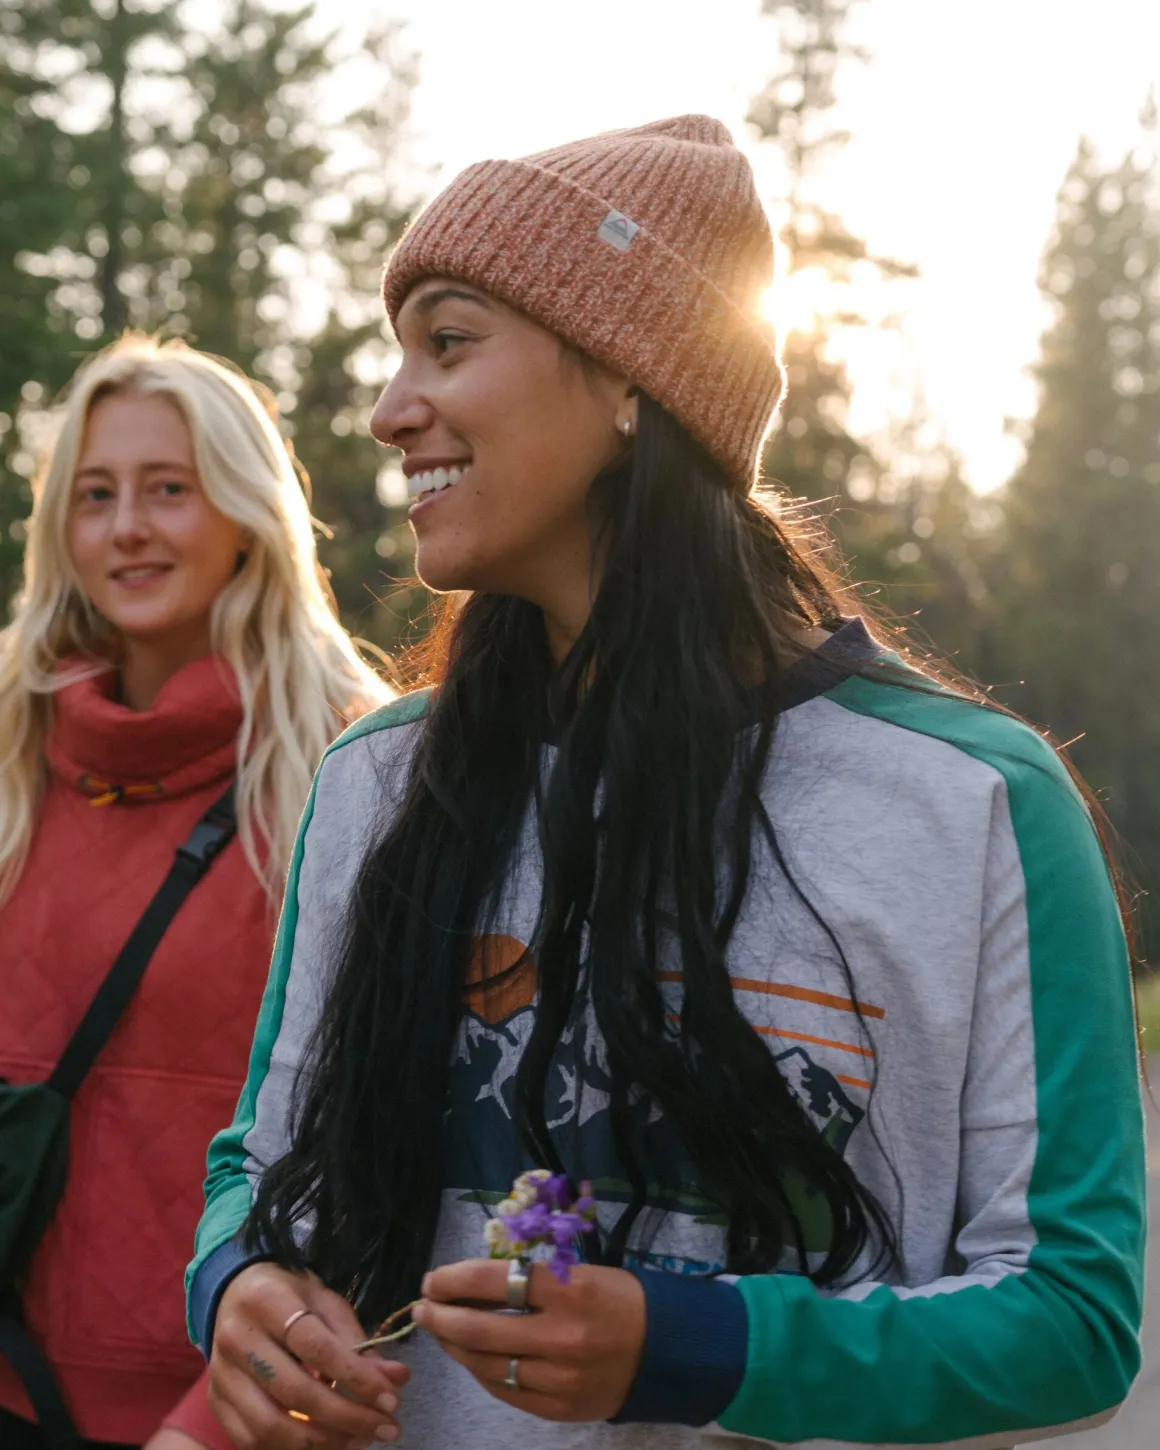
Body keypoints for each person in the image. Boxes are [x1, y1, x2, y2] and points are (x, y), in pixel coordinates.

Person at [188, 116, 1146, 1449]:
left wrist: (701, 1344)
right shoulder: (375, 781)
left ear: (636, 383)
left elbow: (1074, 1315)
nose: (391, 406)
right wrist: (236, 1286)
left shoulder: (977, 804)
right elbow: (259, 1158)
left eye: (450, 341)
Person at [0, 335, 391, 1450]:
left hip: (218, 1414)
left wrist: (215, 1430)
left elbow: (372, 1141)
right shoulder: (7, 744)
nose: (126, 526)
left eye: (168, 489)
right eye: (95, 494)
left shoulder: (354, 768)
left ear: (244, 511)